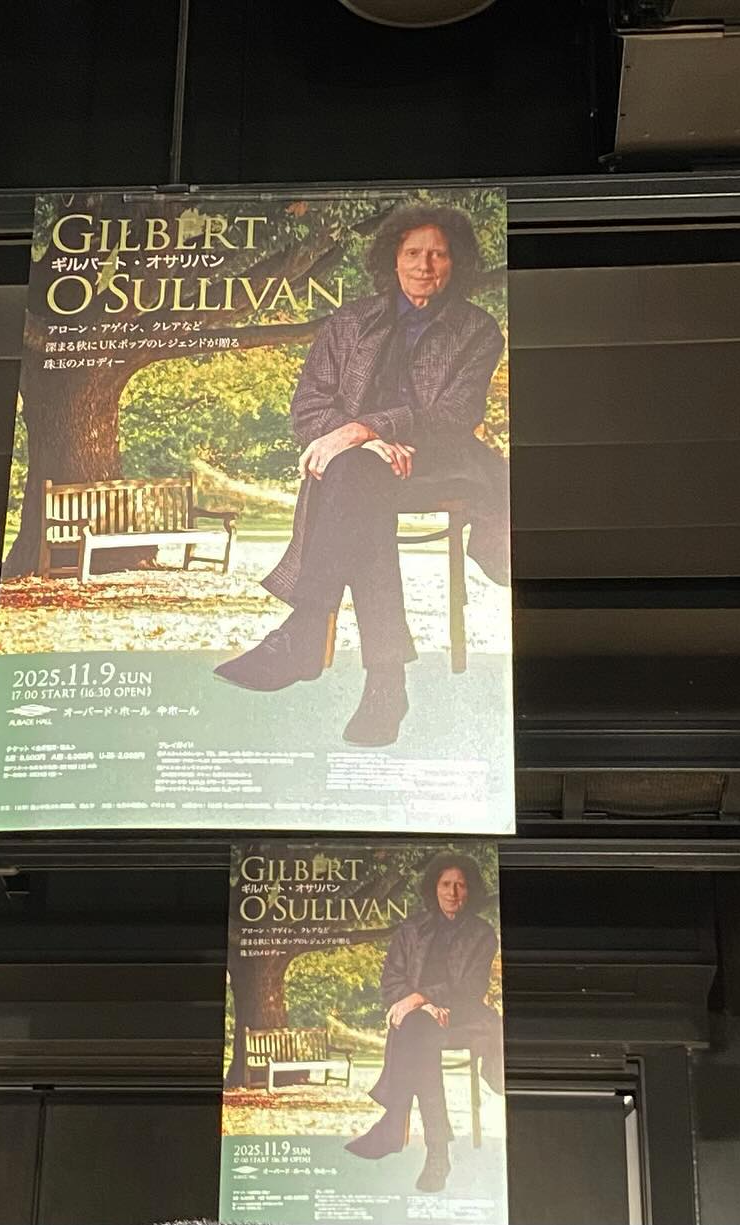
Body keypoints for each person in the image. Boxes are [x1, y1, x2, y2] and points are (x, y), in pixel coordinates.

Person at [212, 205, 507, 746]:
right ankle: (385, 685)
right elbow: (309, 407)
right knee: (357, 480)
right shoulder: (348, 322)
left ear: (456, 262)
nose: (424, 265)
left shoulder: (477, 329)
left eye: (438, 254)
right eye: (413, 252)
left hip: (440, 463)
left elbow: (455, 415)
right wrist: (363, 441)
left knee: (352, 479)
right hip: (360, 462)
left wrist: (368, 428)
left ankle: (306, 634)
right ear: (392, 258)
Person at [343, 852, 502, 1194]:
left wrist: (420, 998)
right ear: (434, 887)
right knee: (418, 1030)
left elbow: (471, 989)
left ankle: (395, 1124)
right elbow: (391, 982)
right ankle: (437, 1153)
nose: (453, 892)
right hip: (422, 1019)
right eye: (446, 884)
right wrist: (423, 1005)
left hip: (465, 1016)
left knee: (413, 1031)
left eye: (461, 885)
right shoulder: (411, 929)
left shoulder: (483, 933)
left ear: (471, 889)